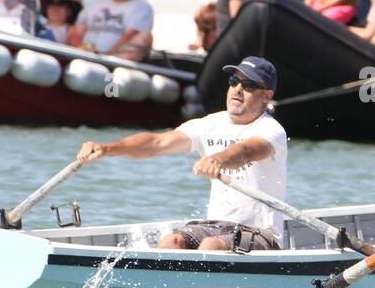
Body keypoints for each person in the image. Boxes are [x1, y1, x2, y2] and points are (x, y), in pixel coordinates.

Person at [76, 57, 287, 251]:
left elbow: (246, 151)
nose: (237, 89)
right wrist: (107, 149)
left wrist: (217, 159)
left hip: (261, 234)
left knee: (211, 247)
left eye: (248, 85)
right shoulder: (209, 124)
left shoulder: (271, 131)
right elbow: (157, 142)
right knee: (171, 242)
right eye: (234, 81)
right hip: (215, 226)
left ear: (267, 96)